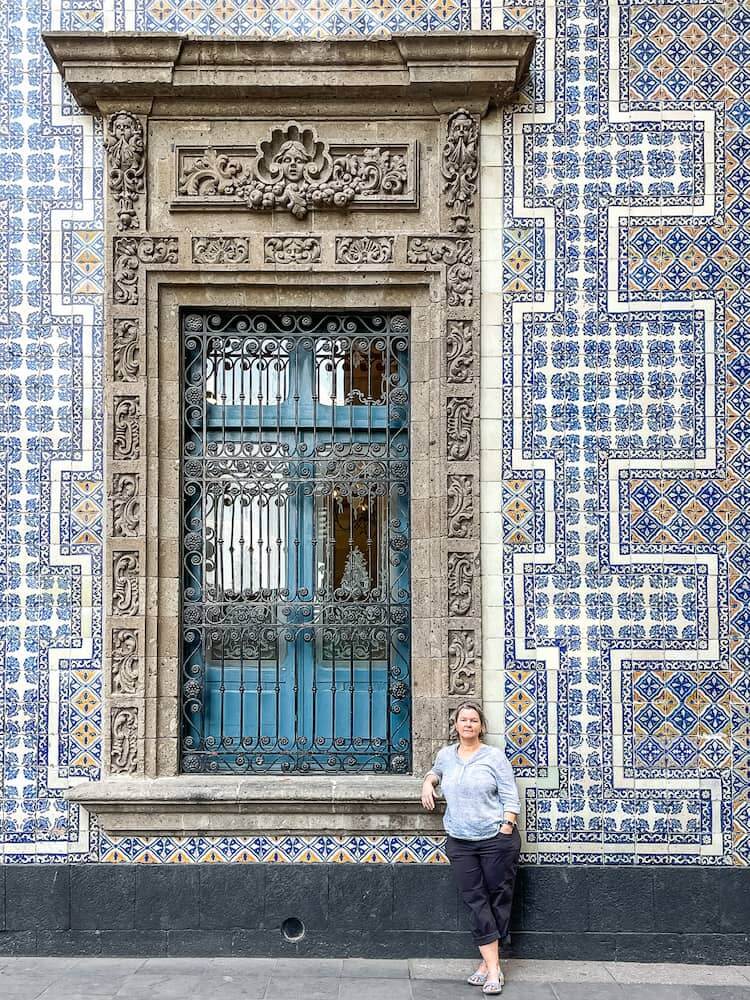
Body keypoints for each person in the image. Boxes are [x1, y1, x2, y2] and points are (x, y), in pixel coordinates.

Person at [421, 700, 521, 995]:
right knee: (476, 900)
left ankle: (487, 965)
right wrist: (428, 782)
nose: (468, 724)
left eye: (473, 721)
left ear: (481, 727)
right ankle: (493, 969)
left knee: (497, 898)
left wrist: (506, 826)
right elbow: (436, 770)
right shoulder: (446, 755)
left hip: (495, 839)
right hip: (461, 841)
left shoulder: (493, 757)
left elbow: (509, 795)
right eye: (463, 720)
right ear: (456, 725)